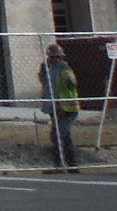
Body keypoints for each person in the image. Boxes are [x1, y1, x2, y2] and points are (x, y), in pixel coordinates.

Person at [40, 43, 80, 171]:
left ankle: (60, 165)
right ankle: (71, 166)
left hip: (67, 109)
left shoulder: (65, 70)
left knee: (58, 135)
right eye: (52, 57)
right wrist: (42, 73)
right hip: (56, 108)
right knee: (64, 136)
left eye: (55, 57)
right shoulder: (50, 70)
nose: (53, 59)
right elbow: (47, 86)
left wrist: (60, 106)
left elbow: (71, 84)